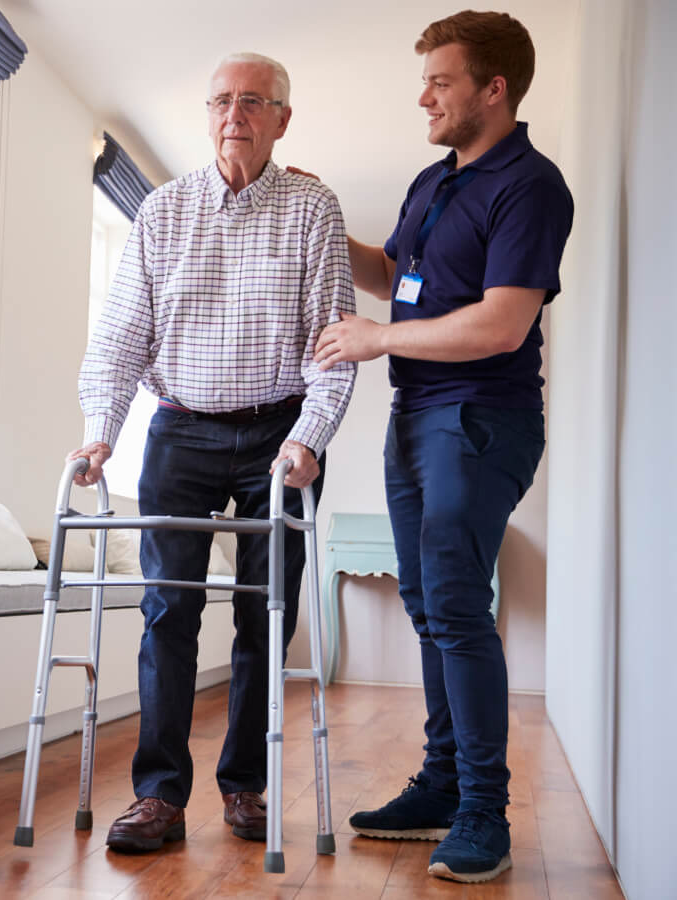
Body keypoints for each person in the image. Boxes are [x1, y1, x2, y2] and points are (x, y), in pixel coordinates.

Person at [69, 52, 356, 853]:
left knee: (265, 614)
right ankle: (159, 797)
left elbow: (332, 345)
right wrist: (102, 430)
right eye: (223, 101)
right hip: (181, 427)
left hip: (279, 431)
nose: (236, 115)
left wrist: (308, 440)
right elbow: (124, 333)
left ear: (281, 120)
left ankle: (247, 787)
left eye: (254, 102)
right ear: (208, 114)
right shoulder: (162, 210)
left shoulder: (313, 208)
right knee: (168, 611)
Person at [312, 10, 573, 884]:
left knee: (456, 606)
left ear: (493, 89)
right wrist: (321, 220)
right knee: (429, 606)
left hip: (480, 420)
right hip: (416, 417)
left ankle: (482, 815)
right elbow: (396, 273)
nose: (423, 96)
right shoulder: (435, 180)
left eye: (442, 82)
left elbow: (502, 324)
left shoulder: (530, 187)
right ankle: (439, 785)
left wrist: (377, 340)